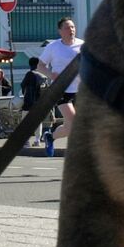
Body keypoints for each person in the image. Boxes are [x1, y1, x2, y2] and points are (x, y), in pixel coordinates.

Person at [38, 17, 84, 157]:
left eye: (73, 27)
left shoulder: (82, 45)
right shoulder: (53, 47)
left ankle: (50, 137)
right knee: (75, 122)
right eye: (67, 27)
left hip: (80, 90)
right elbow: (40, 66)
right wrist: (51, 74)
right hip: (61, 90)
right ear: (60, 31)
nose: (71, 30)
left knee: (70, 127)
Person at [20, 56, 51, 147]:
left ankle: (26, 141)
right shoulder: (44, 76)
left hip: (29, 103)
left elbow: (23, 85)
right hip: (40, 103)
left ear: (30, 65)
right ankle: (37, 140)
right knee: (38, 122)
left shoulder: (30, 74)